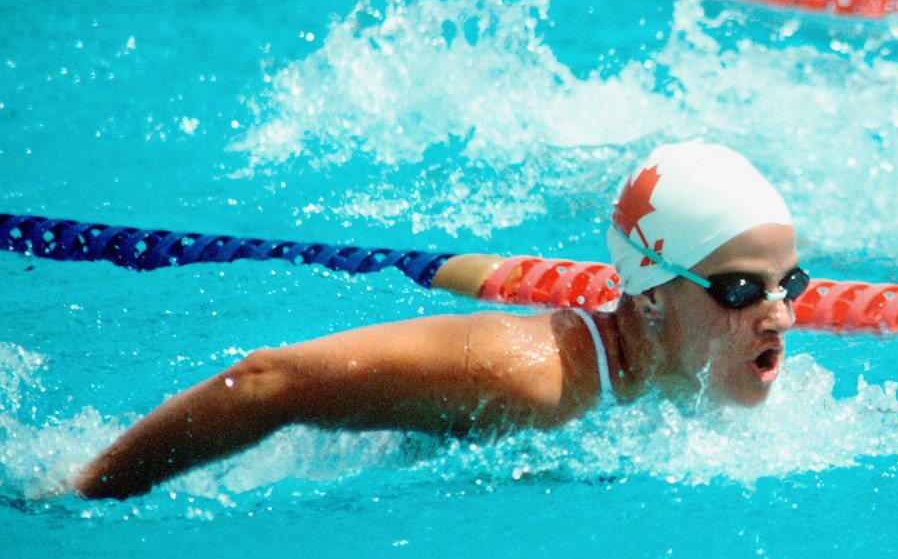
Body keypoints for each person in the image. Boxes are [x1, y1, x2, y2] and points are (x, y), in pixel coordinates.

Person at [72, 141, 809, 499]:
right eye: (741, 288)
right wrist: (83, 493)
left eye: (790, 282)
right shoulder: (531, 377)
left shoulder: (706, 374)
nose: (778, 313)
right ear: (649, 292)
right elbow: (268, 379)